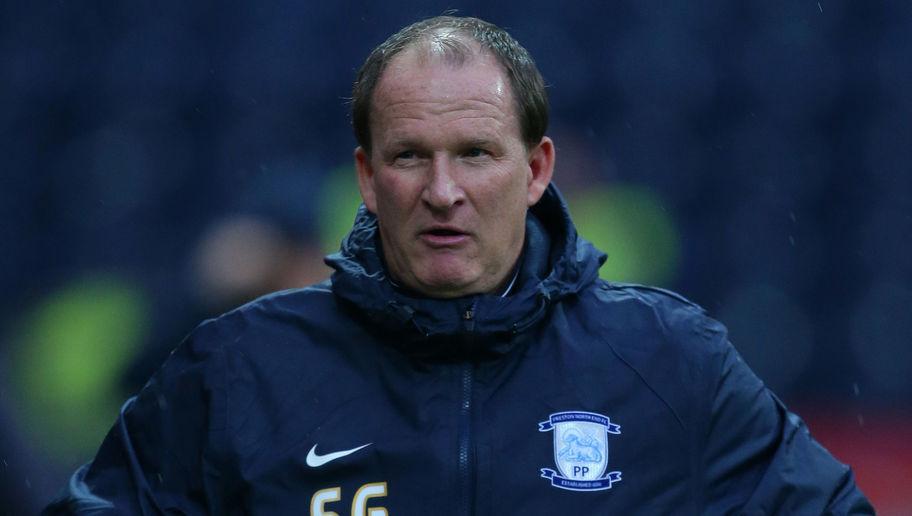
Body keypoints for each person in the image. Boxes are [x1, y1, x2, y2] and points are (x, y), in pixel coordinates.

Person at [45, 15, 873, 515]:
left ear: (538, 169)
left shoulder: (670, 363)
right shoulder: (238, 370)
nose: (444, 191)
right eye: (410, 156)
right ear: (367, 177)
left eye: (476, 153)